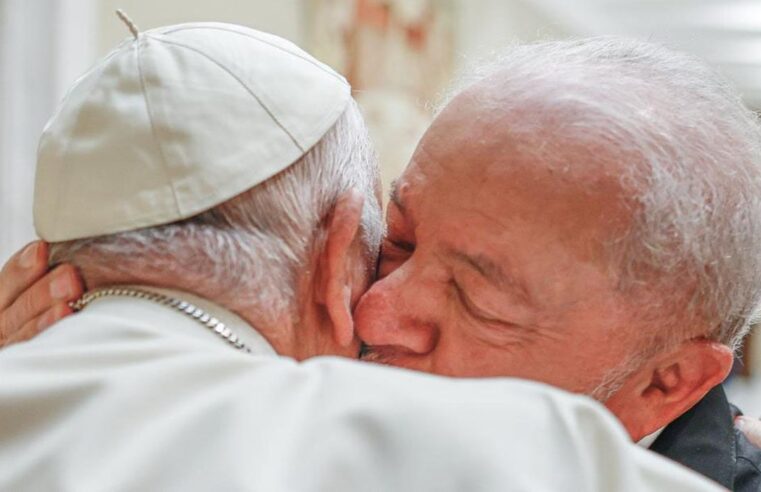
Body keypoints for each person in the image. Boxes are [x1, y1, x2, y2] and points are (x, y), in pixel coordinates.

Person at [0, 19, 716, 491]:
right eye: (395, 244)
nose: (377, 310)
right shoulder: (525, 458)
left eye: (477, 298)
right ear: (340, 246)